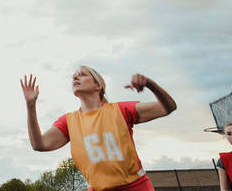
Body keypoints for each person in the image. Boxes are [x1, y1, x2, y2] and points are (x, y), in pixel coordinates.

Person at [21, 66, 177, 191]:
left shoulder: (120, 110)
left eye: (82, 74)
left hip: (135, 186)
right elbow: (39, 144)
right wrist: (30, 105)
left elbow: (168, 107)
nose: (75, 77)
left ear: (98, 85)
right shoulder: (69, 121)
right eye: (74, 76)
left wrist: (151, 85)